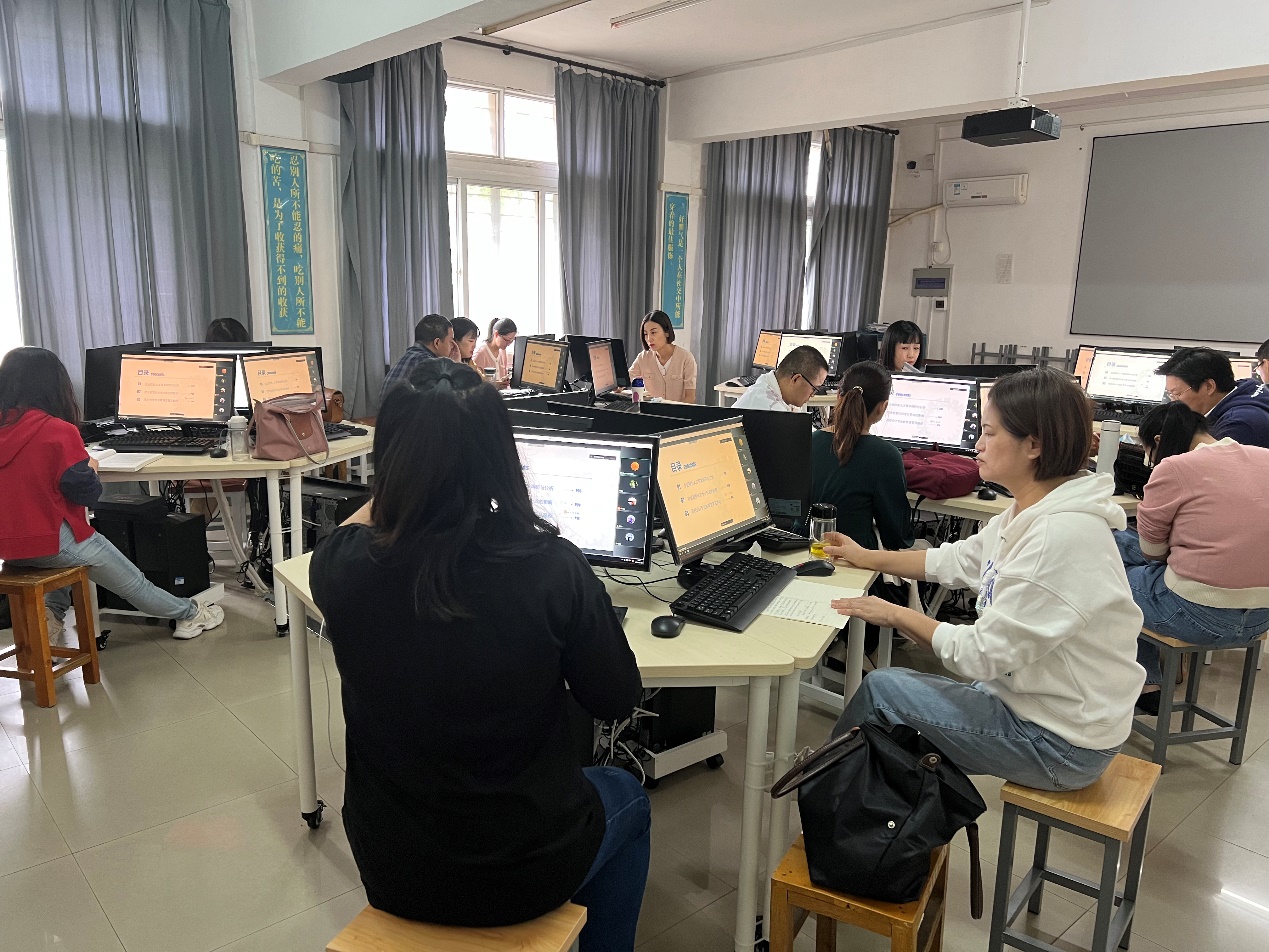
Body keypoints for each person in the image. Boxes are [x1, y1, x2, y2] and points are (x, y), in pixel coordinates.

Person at [311, 359, 649, 951]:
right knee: (628, 795)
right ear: (500, 457)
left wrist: (400, 489)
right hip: (525, 870)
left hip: (393, 867)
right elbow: (617, 697)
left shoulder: (338, 566)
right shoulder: (553, 568)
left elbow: (359, 526)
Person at [820, 369, 1145, 791]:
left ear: (1035, 445)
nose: (977, 445)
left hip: (1061, 744)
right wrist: (866, 557)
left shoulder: (1057, 536)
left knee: (882, 692)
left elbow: (979, 655)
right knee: (893, 722)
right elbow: (956, 560)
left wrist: (897, 614)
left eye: (990, 433)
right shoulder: (1032, 511)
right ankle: (860, 804)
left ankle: (821, 790)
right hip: (1031, 706)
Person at [0, 348, 225, 641]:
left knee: (63, 558)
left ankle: (50, 620)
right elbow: (86, 495)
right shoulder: (57, 431)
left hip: (10, 547)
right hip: (52, 541)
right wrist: (90, 468)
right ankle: (190, 613)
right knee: (135, 584)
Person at [1113, 402, 1269, 715]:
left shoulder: (1175, 467)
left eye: (1147, 452)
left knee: (1108, 574)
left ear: (1157, 442)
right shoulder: (1264, 457)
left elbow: (1152, 552)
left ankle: (1144, 684)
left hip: (1195, 613)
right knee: (1125, 556)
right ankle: (1148, 685)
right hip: (1261, 617)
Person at [811, 361, 912, 552]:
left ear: (838, 396)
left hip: (803, 552)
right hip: (853, 558)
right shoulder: (886, 456)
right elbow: (896, 535)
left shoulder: (809, 440)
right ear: (883, 407)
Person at [1157, 346, 1269, 447]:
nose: (1173, 402)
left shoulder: (1236, 428)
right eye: (1170, 394)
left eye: (1176, 394)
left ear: (1209, 386)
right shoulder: (1247, 388)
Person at [732, 345, 829, 412]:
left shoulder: (769, 385)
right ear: (796, 379)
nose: (812, 395)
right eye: (814, 389)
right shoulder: (770, 409)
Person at [381, 314, 454, 402]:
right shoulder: (429, 364)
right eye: (451, 342)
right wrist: (456, 365)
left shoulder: (409, 357)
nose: (453, 346)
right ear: (437, 343)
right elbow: (449, 400)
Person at [628, 310, 697, 403]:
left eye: (653, 332)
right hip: (651, 411)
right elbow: (626, 379)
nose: (649, 338)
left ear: (667, 332)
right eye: (645, 334)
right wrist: (619, 386)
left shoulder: (686, 358)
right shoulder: (643, 357)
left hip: (677, 411)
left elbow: (690, 398)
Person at [473, 318, 517, 388]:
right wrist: (494, 385)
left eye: (512, 340)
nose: (509, 344)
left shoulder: (503, 351)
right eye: (507, 340)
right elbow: (474, 385)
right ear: (496, 334)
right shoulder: (480, 354)